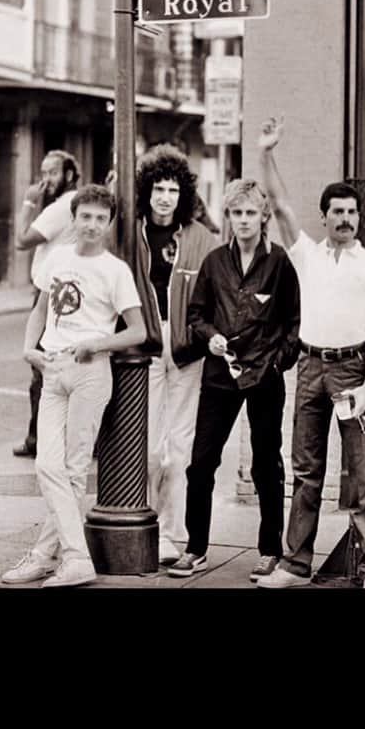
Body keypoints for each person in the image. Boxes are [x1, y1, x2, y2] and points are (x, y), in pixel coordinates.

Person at [257, 114, 365, 589]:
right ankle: (295, 564)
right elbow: (277, 203)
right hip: (311, 367)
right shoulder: (307, 255)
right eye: (337, 211)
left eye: (352, 212)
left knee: (362, 474)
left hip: (352, 370)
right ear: (325, 217)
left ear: (360, 218)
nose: (345, 219)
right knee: (306, 470)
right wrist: (267, 151)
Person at [2, 184, 146, 588]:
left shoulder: (115, 270)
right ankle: (71, 557)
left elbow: (138, 330)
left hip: (90, 371)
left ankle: (48, 557)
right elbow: (42, 308)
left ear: (109, 224)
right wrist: (29, 349)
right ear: (75, 218)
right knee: (48, 465)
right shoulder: (60, 257)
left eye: (101, 219)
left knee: (73, 470)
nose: (93, 225)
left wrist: (96, 343)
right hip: (53, 369)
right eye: (86, 217)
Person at [168, 179, 300, 581]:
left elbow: (295, 323)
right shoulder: (214, 262)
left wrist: (278, 362)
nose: (243, 220)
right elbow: (196, 315)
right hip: (220, 376)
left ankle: (269, 550)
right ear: (227, 217)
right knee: (201, 462)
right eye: (235, 213)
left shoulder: (279, 263)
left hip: (264, 376)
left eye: (250, 213)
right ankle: (195, 549)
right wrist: (210, 338)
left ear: (263, 217)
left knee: (266, 465)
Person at [135, 145, 218, 566]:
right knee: (147, 444)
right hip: (145, 345)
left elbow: (218, 286)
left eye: (171, 189)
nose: (164, 196)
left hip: (187, 347)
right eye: (157, 188)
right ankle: (145, 523)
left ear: (182, 193)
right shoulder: (129, 234)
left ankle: (173, 531)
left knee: (179, 446)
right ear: (145, 191)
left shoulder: (199, 236)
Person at [13, 149, 80, 457]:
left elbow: (21, 240)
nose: (45, 180)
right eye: (42, 172)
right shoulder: (69, 204)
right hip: (62, 290)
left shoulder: (60, 208)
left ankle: (37, 439)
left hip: (50, 292)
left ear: (68, 175)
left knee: (41, 366)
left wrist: (28, 202)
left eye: (52, 172)